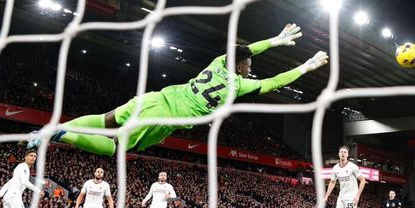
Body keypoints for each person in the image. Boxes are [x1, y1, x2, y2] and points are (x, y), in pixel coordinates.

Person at [28, 24, 328, 155]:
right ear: (241, 67)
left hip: (155, 97)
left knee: (106, 119)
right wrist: (306, 67)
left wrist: (274, 41)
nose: (250, 66)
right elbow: (274, 82)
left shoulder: (218, 62)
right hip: (165, 117)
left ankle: (55, 127)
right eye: (247, 64)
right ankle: (63, 134)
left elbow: (244, 49)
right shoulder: (239, 85)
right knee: (118, 147)